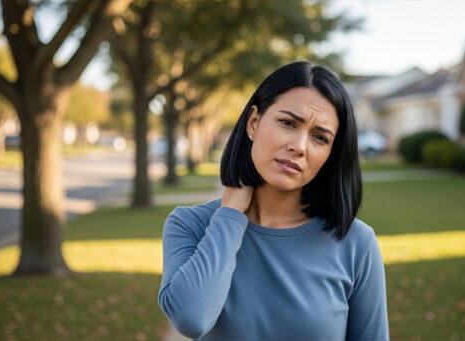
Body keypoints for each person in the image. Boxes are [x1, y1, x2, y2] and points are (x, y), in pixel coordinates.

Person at [157, 61, 389, 340]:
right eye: (288, 123)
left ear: (330, 154)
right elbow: (192, 319)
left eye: (319, 137)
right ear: (253, 122)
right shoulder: (190, 225)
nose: (299, 147)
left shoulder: (356, 243)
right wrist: (230, 214)